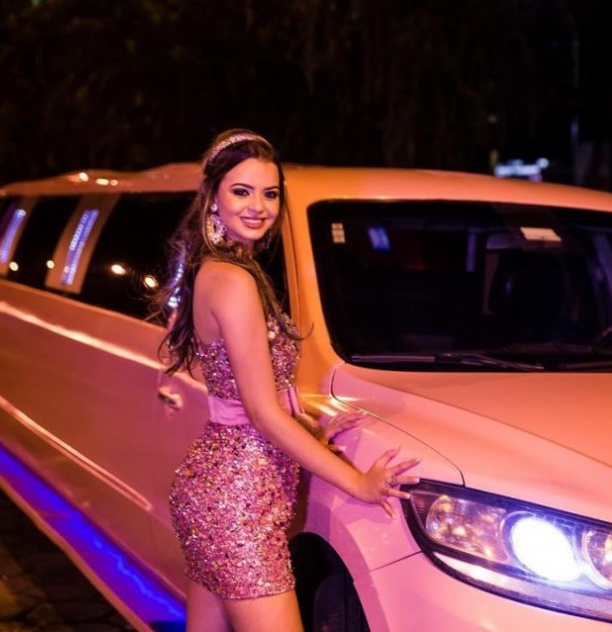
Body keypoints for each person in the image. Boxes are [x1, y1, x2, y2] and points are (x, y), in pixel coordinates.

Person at [155, 129, 419, 631]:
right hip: (238, 501)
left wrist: (310, 430)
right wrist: (359, 484)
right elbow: (260, 412)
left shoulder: (226, 269)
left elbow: (248, 398)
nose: (258, 206)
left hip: (220, 489)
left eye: (270, 193)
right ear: (212, 197)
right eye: (241, 191)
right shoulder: (233, 280)